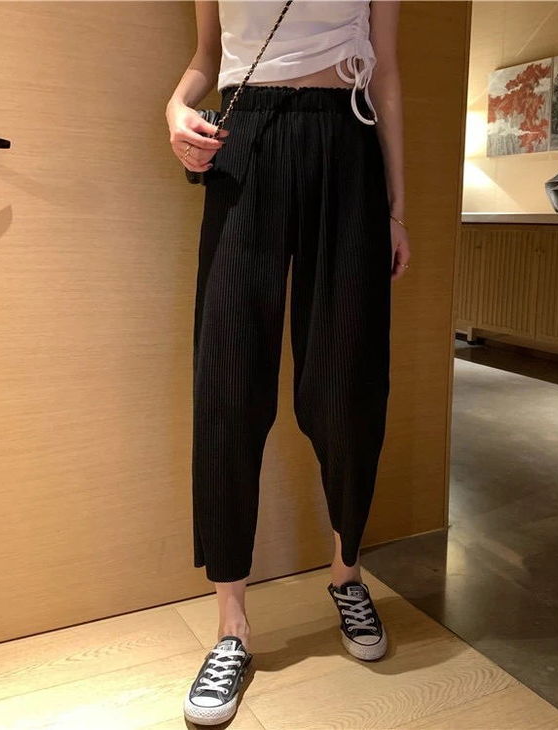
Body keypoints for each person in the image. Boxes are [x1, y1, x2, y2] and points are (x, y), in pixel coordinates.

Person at [165, 0, 408, 724]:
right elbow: (207, 58)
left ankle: (346, 573)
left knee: (346, 383)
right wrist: (175, 110)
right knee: (229, 385)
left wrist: (397, 208)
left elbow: (387, 71)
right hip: (247, 143)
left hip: (347, 137)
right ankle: (231, 625)